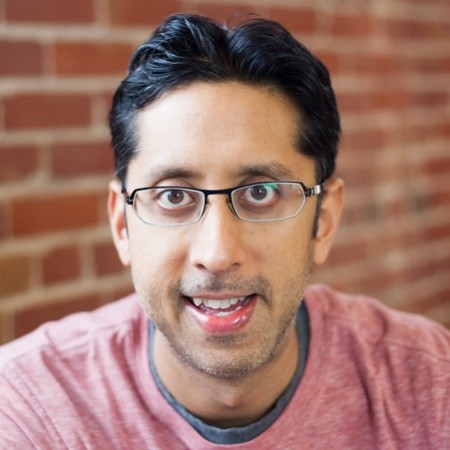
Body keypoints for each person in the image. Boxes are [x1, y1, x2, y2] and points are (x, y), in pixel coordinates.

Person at [0, 13, 449, 449]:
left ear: (324, 221)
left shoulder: (431, 386)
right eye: (173, 196)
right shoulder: (26, 409)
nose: (217, 254)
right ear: (122, 224)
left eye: (261, 193)